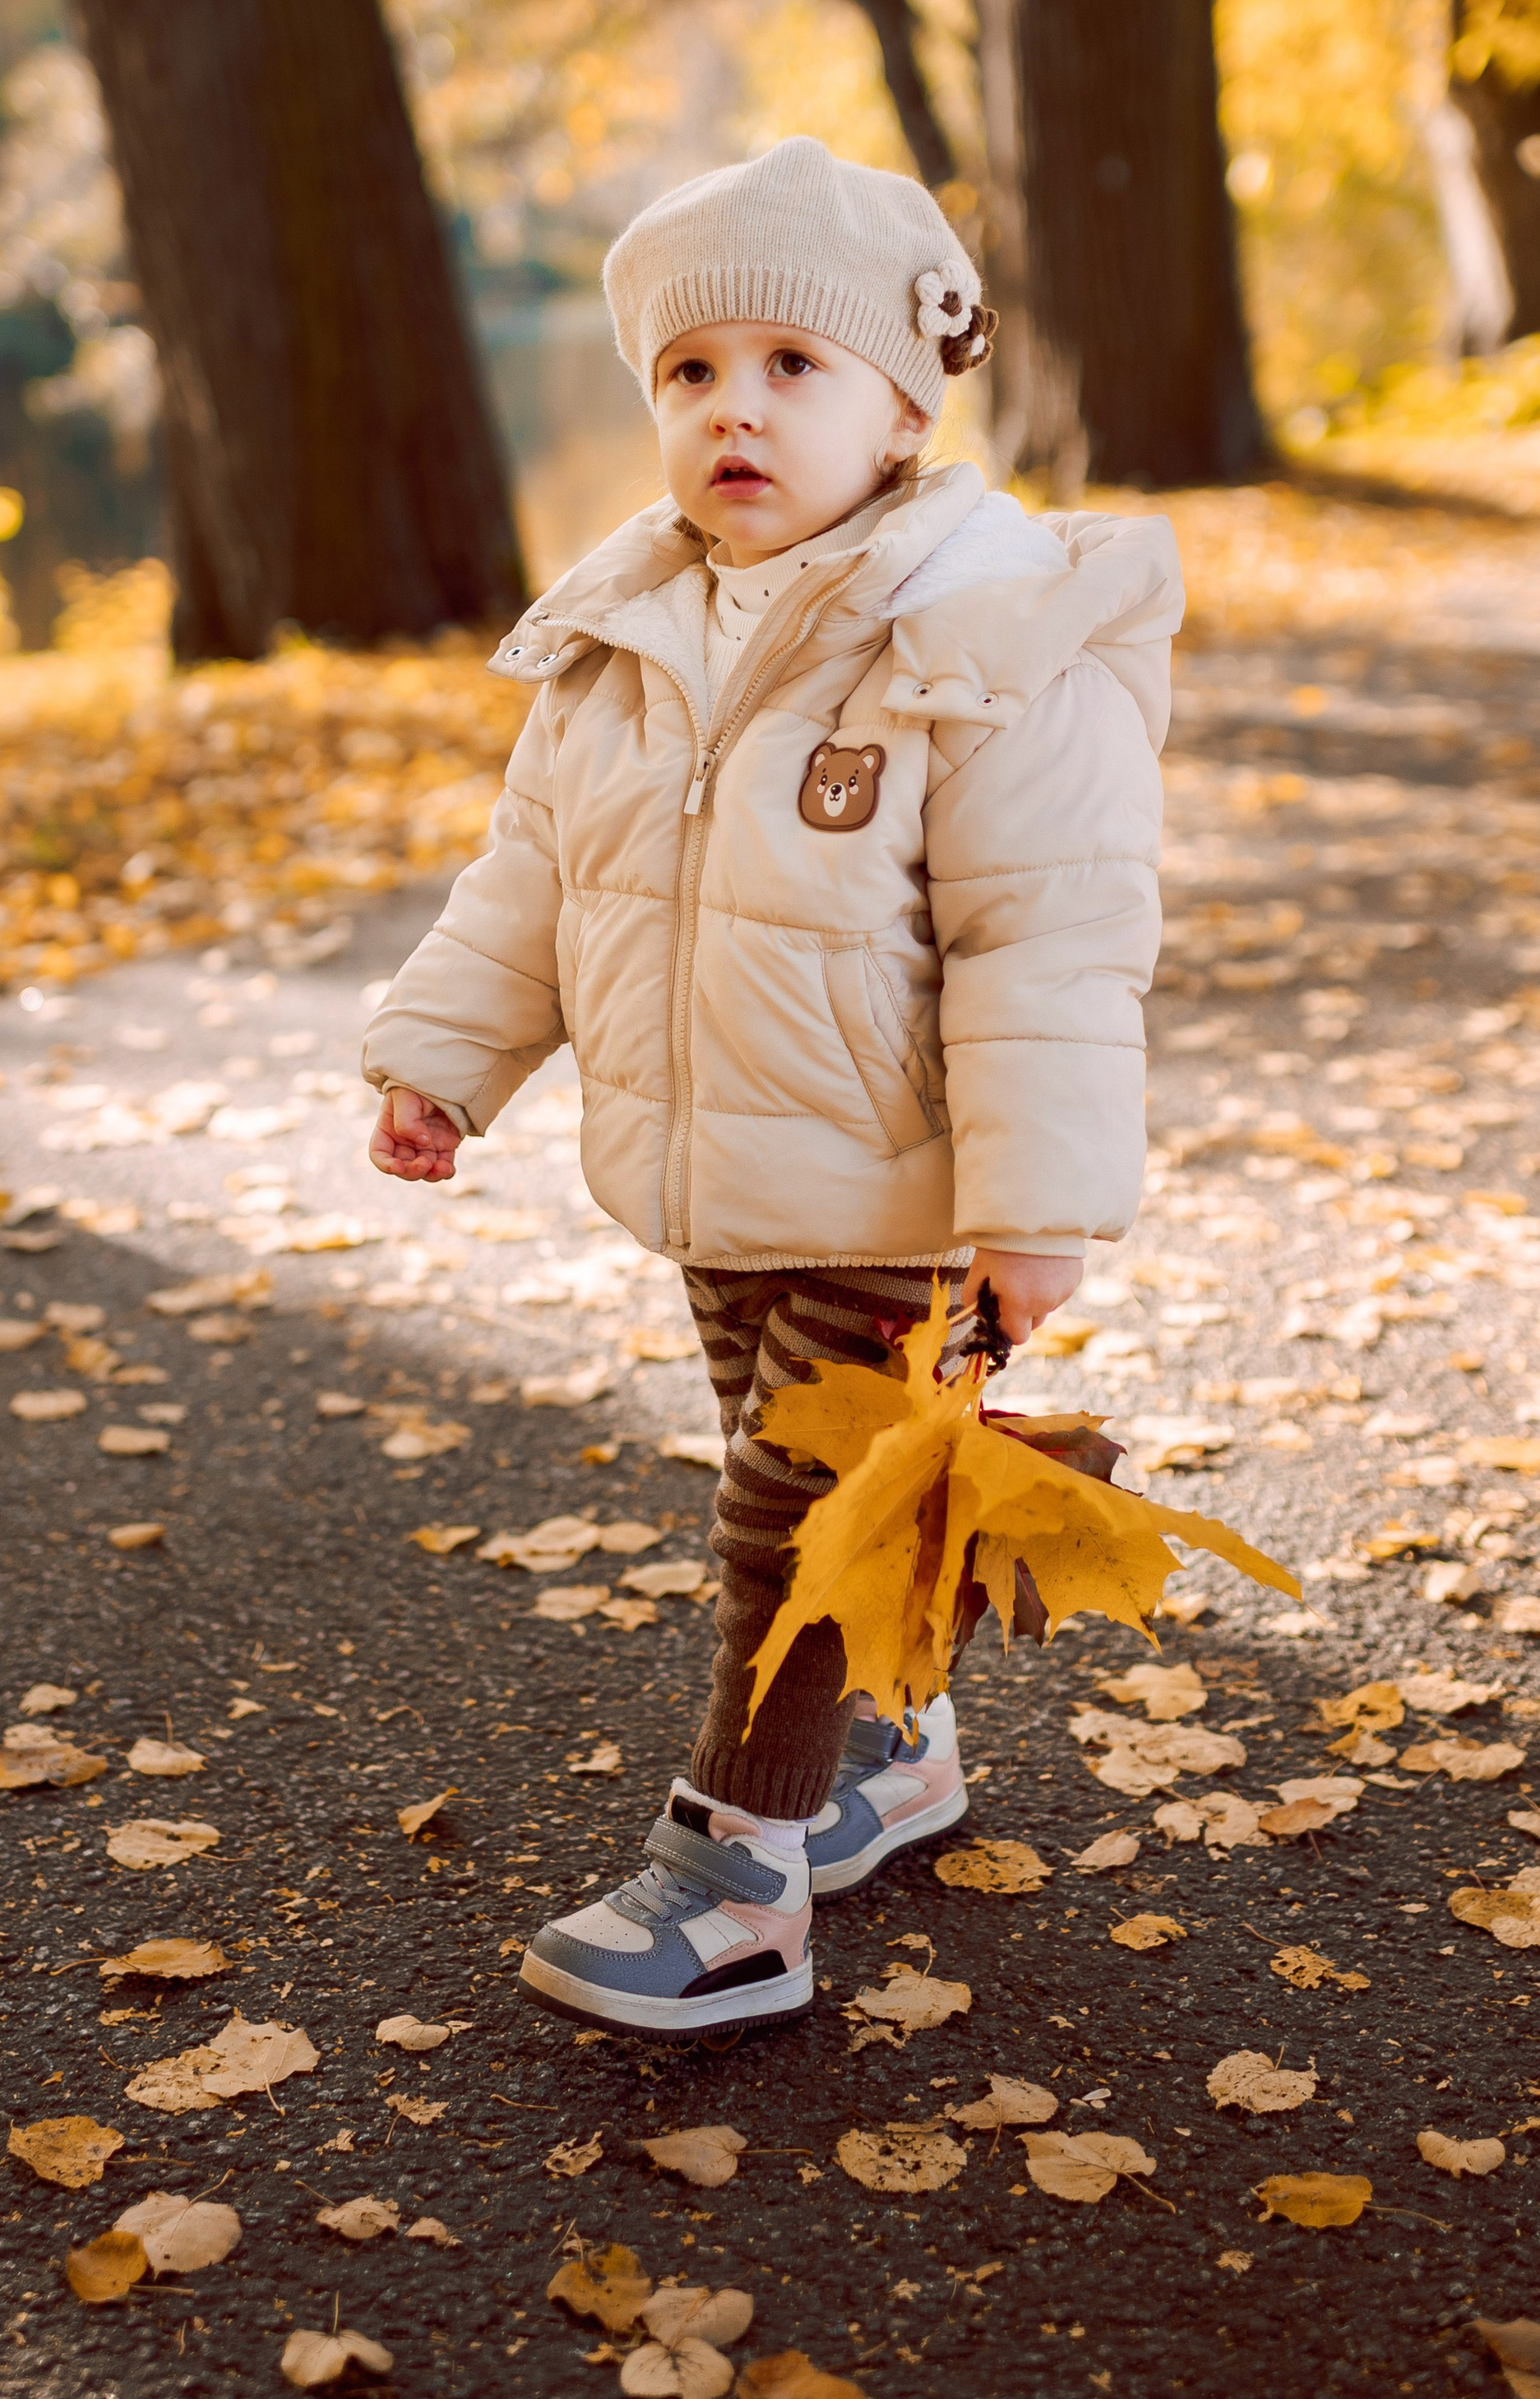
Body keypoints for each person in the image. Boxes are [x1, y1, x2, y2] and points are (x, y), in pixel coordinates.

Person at [363, 136, 1179, 2037]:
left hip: (899, 1196)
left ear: (905, 400)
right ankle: (889, 1750)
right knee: (803, 1484)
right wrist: (444, 1057)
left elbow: (1047, 942)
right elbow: (532, 884)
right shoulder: (623, 633)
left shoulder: (982, 635)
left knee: (784, 1518)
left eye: (789, 367)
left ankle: (735, 1877)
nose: (734, 407)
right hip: (719, 1181)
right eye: (689, 372)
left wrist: (1030, 1209)